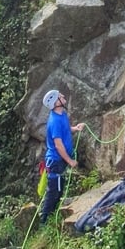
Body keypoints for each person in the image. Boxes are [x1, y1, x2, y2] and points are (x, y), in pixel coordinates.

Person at [40, 89, 85, 224]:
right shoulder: (54, 121)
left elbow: (65, 128)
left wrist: (75, 128)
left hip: (59, 160)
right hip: (55, 161)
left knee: (59, 188)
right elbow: (58, 145)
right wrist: (70, 161)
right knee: (54, 191)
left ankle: (52, 215)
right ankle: (44, 220)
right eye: (60, 96)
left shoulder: (61, 114)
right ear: (56, 102)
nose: (63, 96)